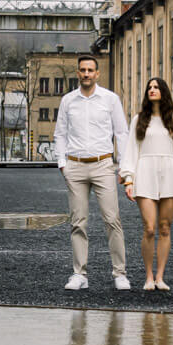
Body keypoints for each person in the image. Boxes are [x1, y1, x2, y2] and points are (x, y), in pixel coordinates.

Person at [53, 55, 132, 291]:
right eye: (82, 70)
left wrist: (124, 166)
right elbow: (60, 134)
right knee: (78, 222)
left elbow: (122, 133)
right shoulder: (68, 101)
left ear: (97, 73)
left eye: (90, 70)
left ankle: (120, 274)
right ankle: (80, 274)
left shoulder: (110, 99)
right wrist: (62, 163)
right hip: (75, 166)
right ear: (77, 73)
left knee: (112, 220)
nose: (86, 73)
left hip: (103, 165)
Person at [120, 77, 173, 290]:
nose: (152, 90)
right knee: (149, 228)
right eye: (149, 87)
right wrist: (128, 179)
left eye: (156, 87)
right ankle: (148, 277)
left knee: (165, 228)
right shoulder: (139, 119)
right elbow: (131, 149)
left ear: (163, 91)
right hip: (145, 174)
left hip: (169, 174)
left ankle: (160, 277)